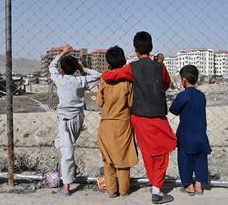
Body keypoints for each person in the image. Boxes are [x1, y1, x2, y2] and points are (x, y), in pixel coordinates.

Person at [102, 31, 176, 204]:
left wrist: (102, 73)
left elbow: (109, 75)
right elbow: (166, 84)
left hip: (139, 118)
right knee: (163, 151)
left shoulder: (131, 68)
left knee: (148, 152)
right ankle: (157, 189)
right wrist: (160, 63)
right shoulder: (160, 67)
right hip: (157, 116)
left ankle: (155, 186)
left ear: (135, 49)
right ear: (151, 48)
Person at [49, 44, 101, 196]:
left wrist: (62, 53)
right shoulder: (80, 81)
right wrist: (83, 69)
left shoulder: (59, 79)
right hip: (78, 117)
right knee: (63, 144)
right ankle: (72, 170)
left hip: (65, 120)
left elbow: (52, 66)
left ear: (62, 69)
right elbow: (98, 75)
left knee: (67, 151)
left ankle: (66, 187)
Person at [96, 46, 138, 198]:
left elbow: (99, 103)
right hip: (123, 124)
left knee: (108, 160)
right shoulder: (127, 80)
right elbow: (131, 102)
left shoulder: (104, 79)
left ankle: (111, 190)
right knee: (123, 159)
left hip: (106, 124)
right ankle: (124, 190)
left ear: (108, 62)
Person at [169, 65, 211, 195]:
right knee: (200, 158)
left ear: (184, 80)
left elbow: (173, 110)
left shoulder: (183, 95)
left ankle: (188, 185)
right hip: (200, 133)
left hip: (186, 133)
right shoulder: (201, 96)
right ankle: (199, 184)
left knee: (185, 159)